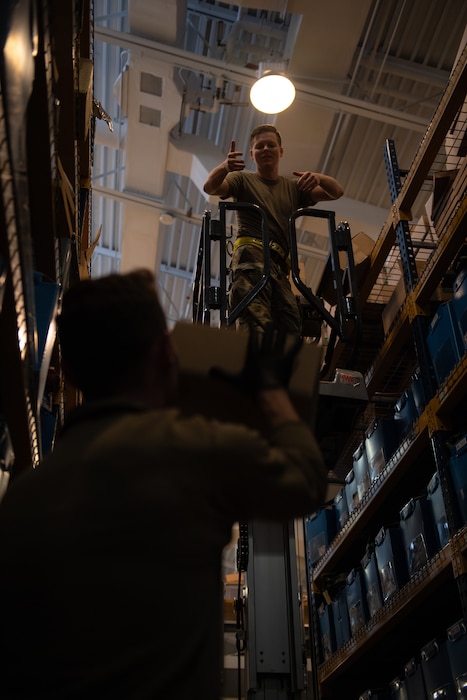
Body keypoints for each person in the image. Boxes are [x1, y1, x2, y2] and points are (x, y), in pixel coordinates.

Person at [0, 269, 327, 700]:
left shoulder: (20, 501)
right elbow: (304, 479)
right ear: (166, 357)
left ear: (69, 373)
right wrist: (271, 391)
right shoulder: (194, 451)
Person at [203, 123, 344, 336]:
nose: (266, 149)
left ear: (281, 151)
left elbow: (336, 192)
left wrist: (319, 178)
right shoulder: (242, 180)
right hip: (251, 255)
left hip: (279, 265)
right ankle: (254, 362)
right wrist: (224, 167)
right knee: (254, 319)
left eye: (271, 145)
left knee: (291, 326)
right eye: (260, 147)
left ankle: (280, 366)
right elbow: (210, 188)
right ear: (252, 154)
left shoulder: (293, 188)